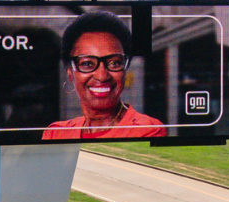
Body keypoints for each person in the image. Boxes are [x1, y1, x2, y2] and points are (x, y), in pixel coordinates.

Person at [42, 10, 167, 141]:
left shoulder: (147, 130)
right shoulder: (56, 134)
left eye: (114, 63)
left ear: (125, 70)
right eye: (88, 64)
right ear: (70, 73)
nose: (102, 76)